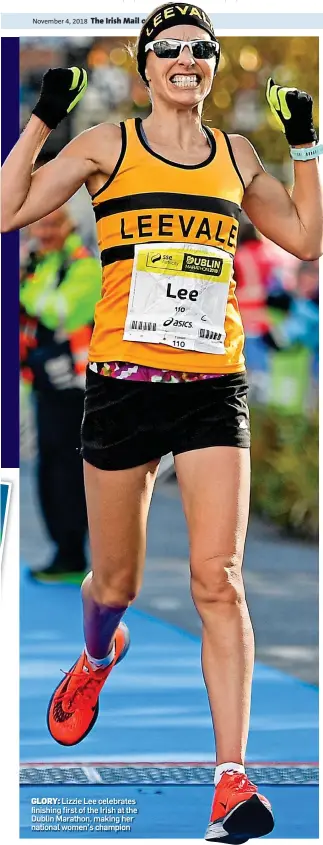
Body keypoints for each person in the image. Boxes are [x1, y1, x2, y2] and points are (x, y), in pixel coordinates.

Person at [2, 6, 322, 841]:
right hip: (120, 386)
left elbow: (305, 238)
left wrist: (308, 147)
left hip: (211, 383)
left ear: (212, 66)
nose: (187, 59)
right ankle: (99, 652)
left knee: (218, 578)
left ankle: (230, 780)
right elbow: (7, 213)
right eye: (170, 49)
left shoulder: (235, 153)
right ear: (146, 67)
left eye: (201, 50)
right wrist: (42, 118)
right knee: (116, 586)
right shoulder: (107, 145)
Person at [19, 206, 102, 581]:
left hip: (75, 388)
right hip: (43, 382)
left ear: (68, 226)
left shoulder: (83, 265)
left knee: (69, 470)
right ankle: (62, 550)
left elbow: (59, 312)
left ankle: (72, 553)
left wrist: (28, 294)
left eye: (53, 224)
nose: (46, 231)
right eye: (41, 224)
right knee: (49, 468)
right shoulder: (43, 263)